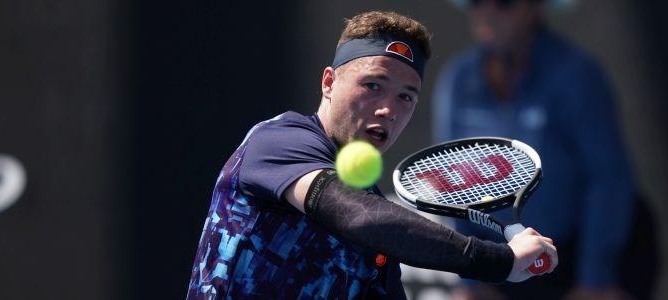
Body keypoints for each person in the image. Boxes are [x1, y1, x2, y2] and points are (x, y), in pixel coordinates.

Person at [185, 10, 558, 299]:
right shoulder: (276, 142)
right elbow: (357, 216)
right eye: (373, 85)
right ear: (328, 82)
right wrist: (497, 260)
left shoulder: (378, 226)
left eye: (405, 96)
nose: (388, 109)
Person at [433, 1, 638, 299]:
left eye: (504, 2)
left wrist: (595, 280)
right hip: (494, 271)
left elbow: (607, 179)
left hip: (572, 272)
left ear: (536, 8)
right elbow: (449, 186)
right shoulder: (457, 79)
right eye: (477, 0)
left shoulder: (577, 74)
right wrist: (472, 280)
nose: (487, 11)